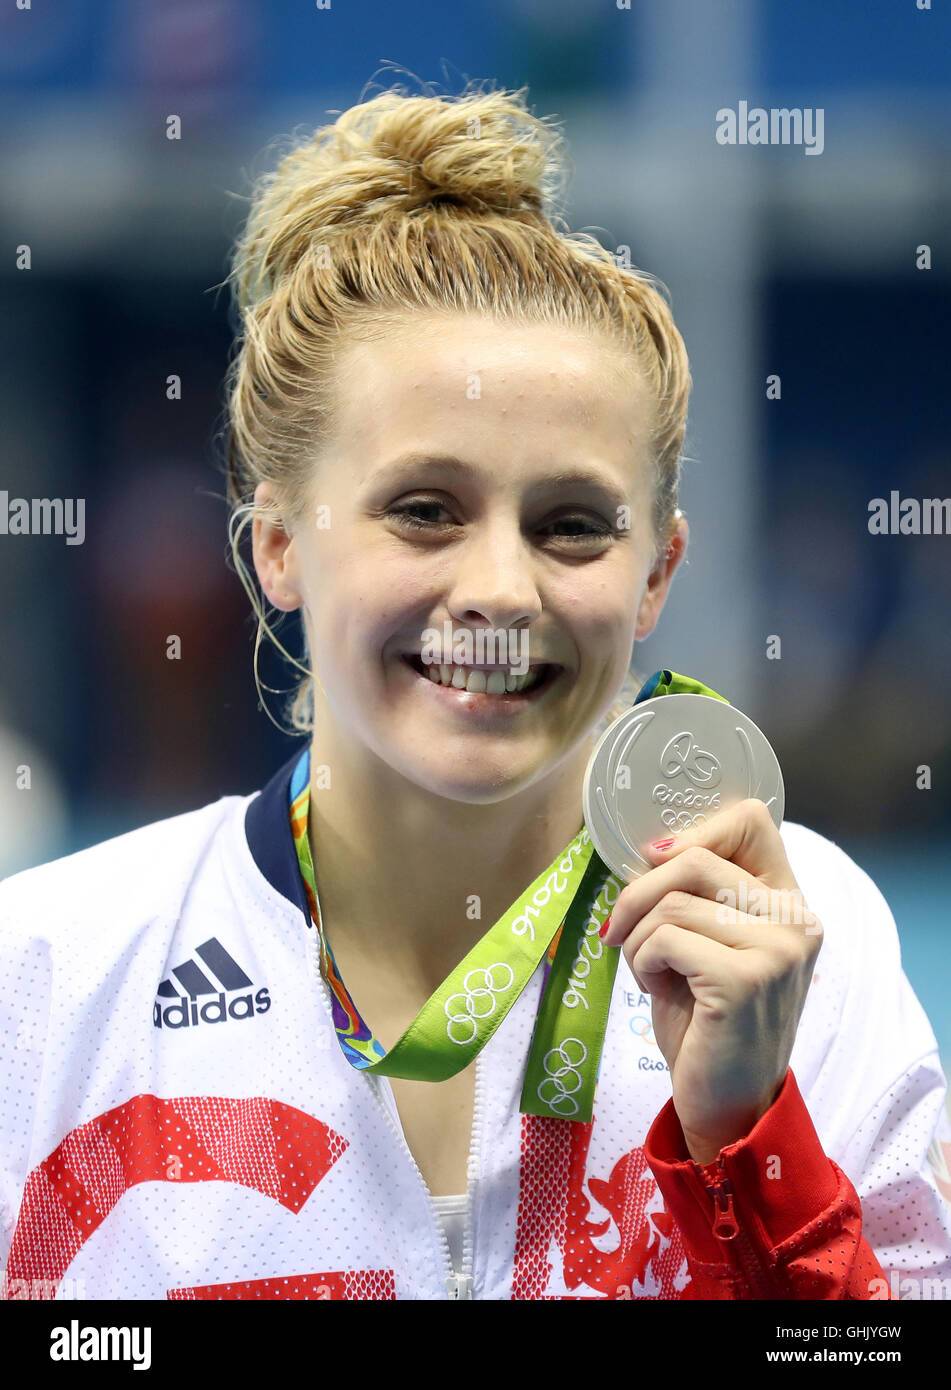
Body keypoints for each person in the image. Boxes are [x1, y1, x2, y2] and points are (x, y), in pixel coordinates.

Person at [2, 82, 950, 1303]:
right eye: (424, 510)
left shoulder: (811, 943)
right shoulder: (48, 978)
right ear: (277, 541)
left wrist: (754, 1141)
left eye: (569, 526)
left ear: (658, 573)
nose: (501, 586)